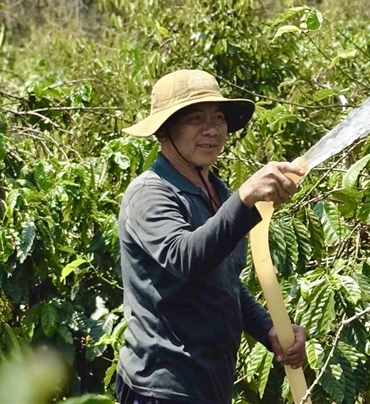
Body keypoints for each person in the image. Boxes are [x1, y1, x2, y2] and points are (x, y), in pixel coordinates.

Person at [115, 69, 308, 404]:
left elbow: (224, 281)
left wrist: (269, 330)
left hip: (209, 385)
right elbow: (186, 258)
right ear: (164, 130)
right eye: (194, 119)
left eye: (218, 118)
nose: (211, 129)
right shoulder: (151, 193)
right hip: (162, 388)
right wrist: (245, 197)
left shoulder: (214, 190)